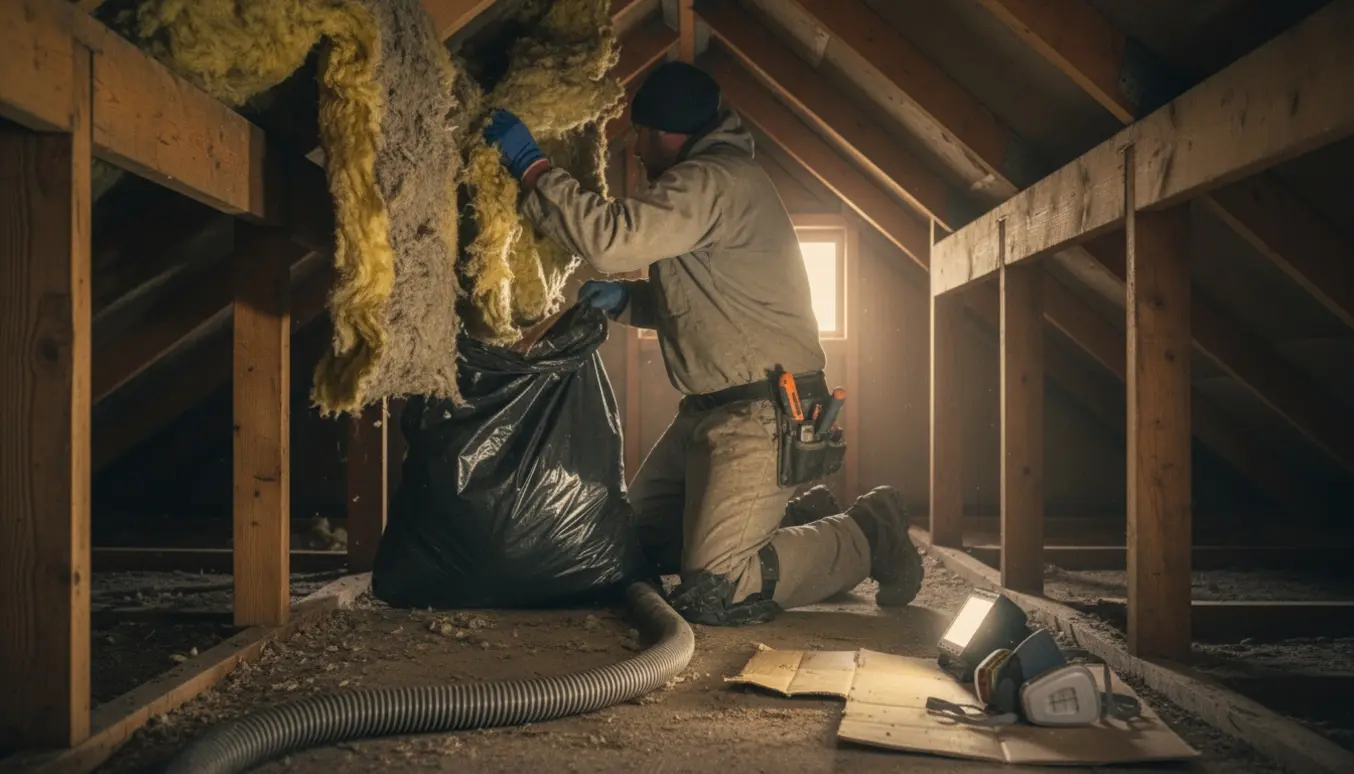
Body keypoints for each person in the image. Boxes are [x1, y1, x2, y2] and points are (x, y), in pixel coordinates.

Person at [483, 61, 922, 625]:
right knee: (622, 549)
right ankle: (790, 525)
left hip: (763, 414)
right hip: (710, 415)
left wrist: (534, 168)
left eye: (641, 133)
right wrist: (630, 303)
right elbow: (708, 304)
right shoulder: (710, 185)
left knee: (718, 588)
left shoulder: (711, 181)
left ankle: (870, 530)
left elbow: (611, 241)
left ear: (669, 132)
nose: (637, 148)